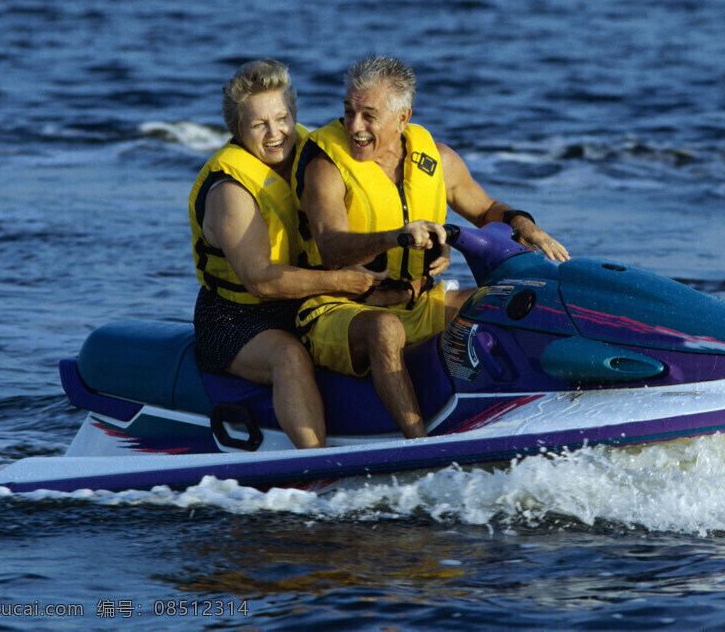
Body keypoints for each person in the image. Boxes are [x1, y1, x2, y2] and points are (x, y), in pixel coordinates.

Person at [295, 55, 569, 439]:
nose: (355, 127)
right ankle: (417, 444)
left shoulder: (436, 159)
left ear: (402, 118)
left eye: (368, 116)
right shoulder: (326, 167)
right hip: (338, 310)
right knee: (385, 331)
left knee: (512, 302)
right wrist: (395, 236)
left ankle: (549, 409)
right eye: (348, 112)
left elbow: (487, 209)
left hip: (420, 301)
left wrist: (524, 225)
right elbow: (331, 248)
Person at [189, 59, 386, 449]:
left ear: (294, 114)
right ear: (238, 129)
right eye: (259, 125)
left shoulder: (317, 156)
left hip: (305, 298)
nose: (275, 133)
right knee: (290, 356)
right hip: (236, 316)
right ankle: (315, 463)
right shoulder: (231, 192)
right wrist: (341, 283)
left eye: (281, 119)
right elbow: (260, 280)